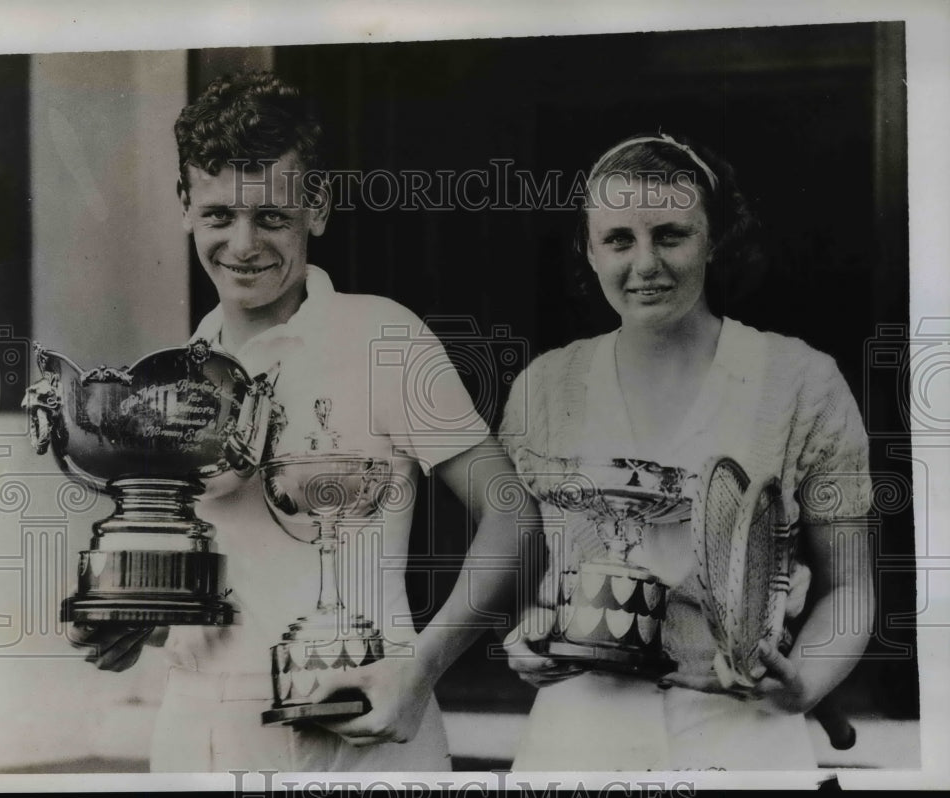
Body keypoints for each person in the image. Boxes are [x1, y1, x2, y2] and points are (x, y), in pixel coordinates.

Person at [69, 71, 533, 773]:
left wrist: (420, 671)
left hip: (361, 731)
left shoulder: (384, 336)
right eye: (220, 214)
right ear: (185, 204)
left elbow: (515, 519)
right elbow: (209, 595)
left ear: (316, 206)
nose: (244, 244)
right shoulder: (174, 373)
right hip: (197, 736)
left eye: (272, 217)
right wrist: (134, 628)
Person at [497, 133, 875, 771]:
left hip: (745, 735)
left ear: (714, 238)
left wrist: (805, 681)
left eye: (670, 234)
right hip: (578, 735)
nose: (644, 265)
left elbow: (852, 588)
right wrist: (526, 637)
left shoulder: (801, 381)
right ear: (587, 251)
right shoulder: (544, 389)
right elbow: (525, 572)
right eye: (618, 240)